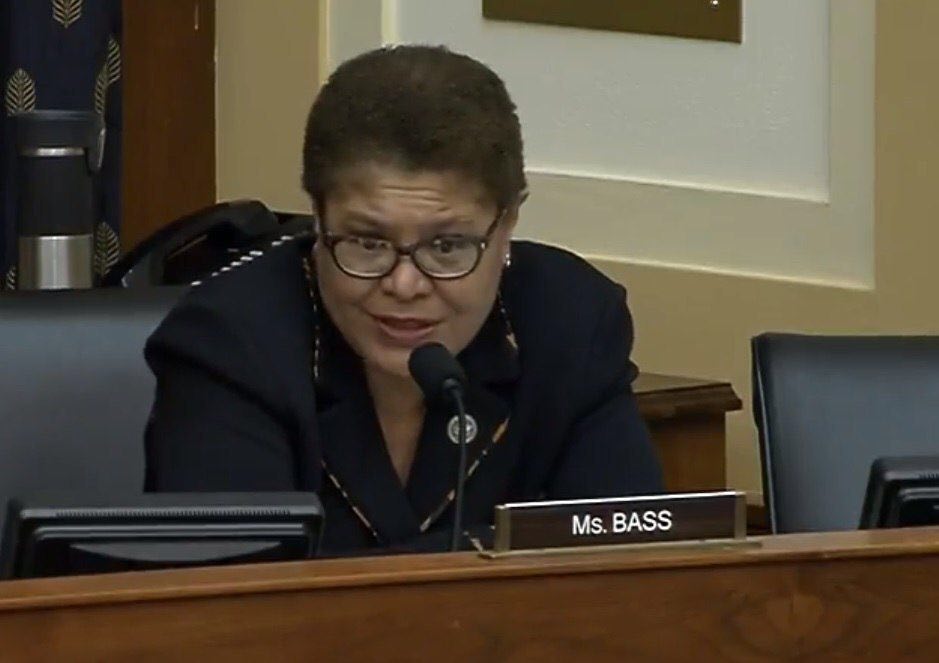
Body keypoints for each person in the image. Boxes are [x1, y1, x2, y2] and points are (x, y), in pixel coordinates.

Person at [144, 45, 662, 555]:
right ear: (318, 219)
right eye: (368, 243)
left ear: (506, 225)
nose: (405, 284)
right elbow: (237, 594)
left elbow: (628, 553)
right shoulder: (230, 342)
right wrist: (509, 549)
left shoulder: (570, 321)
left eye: (447, 246)